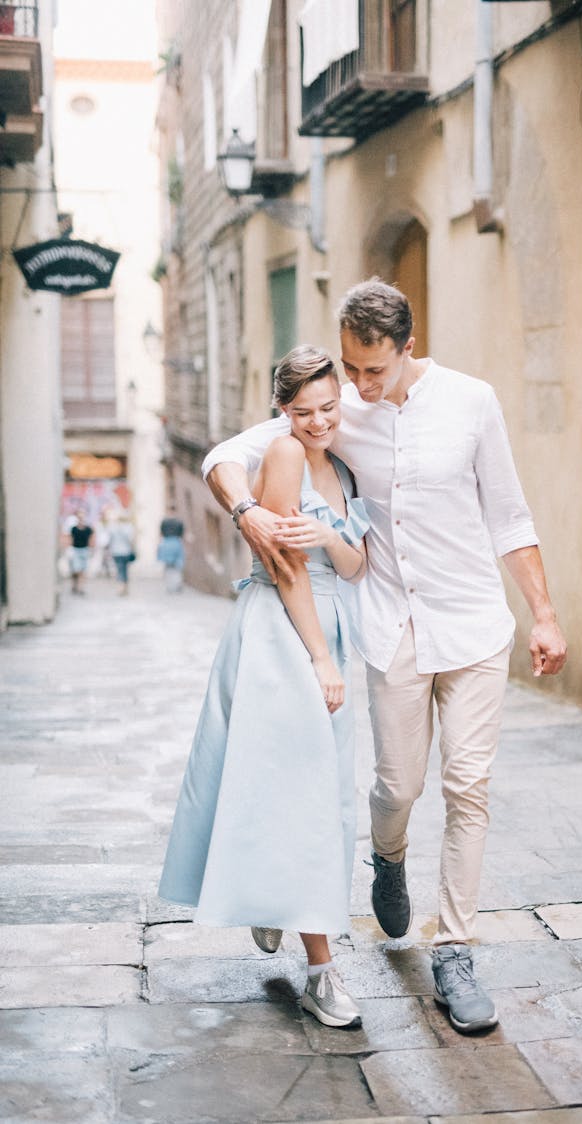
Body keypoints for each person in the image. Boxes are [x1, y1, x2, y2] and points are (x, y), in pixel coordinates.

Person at [202, 279, 568, 1035]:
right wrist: (249, 515)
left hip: (472, 626)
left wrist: (545, 613)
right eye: (351, 368)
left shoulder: (472, 401)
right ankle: (389, 856)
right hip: (393, 630)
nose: (361, 386)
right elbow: (223, 456)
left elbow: (509, 512)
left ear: (407, 346)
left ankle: (456, 951)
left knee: (468, 787)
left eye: (374, 370)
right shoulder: (333, 413)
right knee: (397, 786)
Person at [159, 346, 369, 1029]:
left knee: (320, 794)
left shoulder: (341, 462)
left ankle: (282, 906)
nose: (318, 423)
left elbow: (355, 561)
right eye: (304, 412)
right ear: (283, 410)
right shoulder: (281, 454)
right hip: (287, 632)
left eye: (329, 408)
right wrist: (321, 659)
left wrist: (329, 536)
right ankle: (322, 971)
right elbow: (284, 567)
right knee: (307, 796)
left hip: (330, 626)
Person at [158, 506, 185, 592]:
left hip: (167, 543)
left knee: (168, 566)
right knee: (177, 566)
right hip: (176, 543)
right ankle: (177, 584)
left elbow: (160, 534)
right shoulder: (179, 522)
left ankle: (169, 586)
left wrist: (159, 546)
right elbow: (182, 535)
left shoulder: (164, 522)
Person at [67, 510, 94, 595]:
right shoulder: (73, 529)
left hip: (85, 550)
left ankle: (80, 587)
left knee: (83, 570)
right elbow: (70, 539)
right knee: (76, 570)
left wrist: (91, 550)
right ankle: (75, 584)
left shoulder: (88, 529)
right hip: (75, 550)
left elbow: (91, 540)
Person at [108, 513, 136, 596]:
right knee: (125, 570)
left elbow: (110, 540)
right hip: (126, 551)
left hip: (116, 551)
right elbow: (131, 540)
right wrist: (133, 549)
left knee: (119, 570)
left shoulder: (113, 527)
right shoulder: (129, 527)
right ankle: (125, 588)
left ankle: (121, 588)